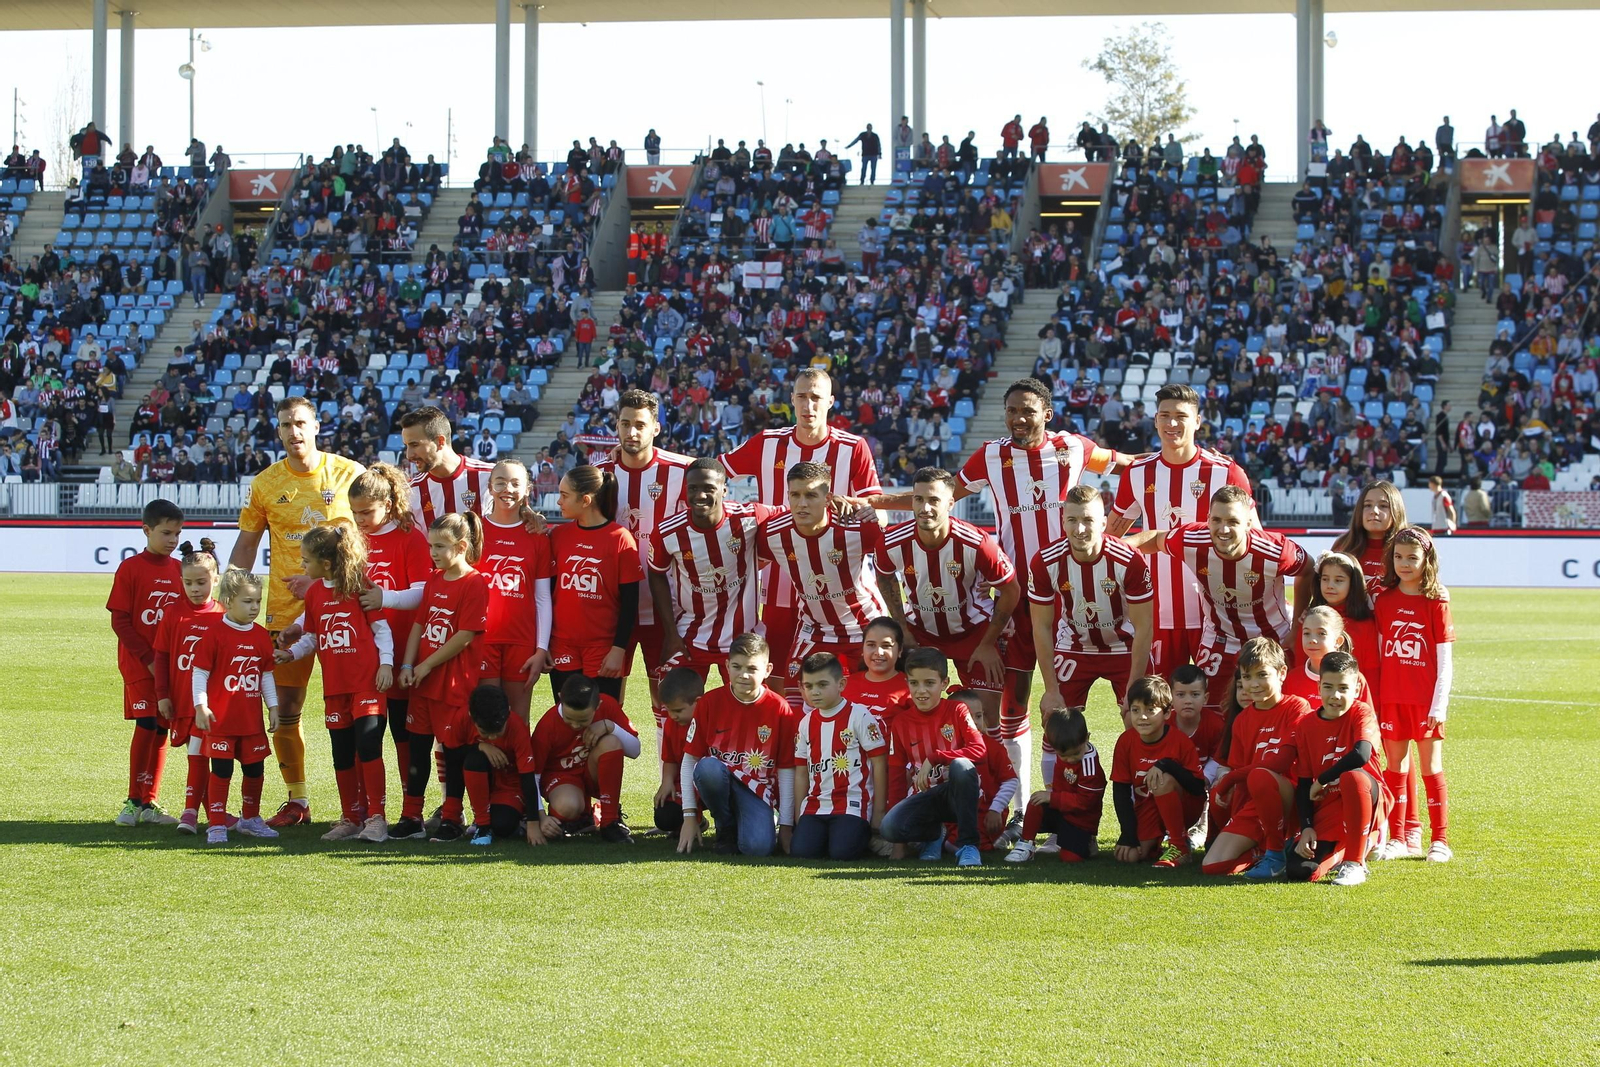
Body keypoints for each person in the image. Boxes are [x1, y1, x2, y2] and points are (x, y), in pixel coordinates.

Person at [853, 377, 1133, 807]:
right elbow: (942, 495)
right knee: (1014, 707)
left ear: (1047, 413)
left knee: (1090, 701)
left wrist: (1127, 516)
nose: (1019, 419)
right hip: (1018, 596)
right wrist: (877, 502)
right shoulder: (992, 455)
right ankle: (1018, 807)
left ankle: (1079, 801)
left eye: (1028, 410)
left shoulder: (1074, 447)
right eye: (1012, 411)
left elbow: (1132, 466)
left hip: (1078, 589)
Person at [229, 396, 365, 828]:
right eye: (286, 425)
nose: (294, 432)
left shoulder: (349, 473)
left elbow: (370, 538)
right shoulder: (266, 483)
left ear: (317, 426)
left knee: (357, 707)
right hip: (285, 615)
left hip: (344, 610)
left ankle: (365, 805)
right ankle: (298, 800)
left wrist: (327, 583)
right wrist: (228, 589)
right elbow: (248, 543)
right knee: (286, 705)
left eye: (301, 423)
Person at [721, 369, 881, 674]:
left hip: (838, 587)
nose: (809, 406)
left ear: (830, 402)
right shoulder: (767, 442)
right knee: (778, 676)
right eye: (802, 397)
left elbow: (875, 507)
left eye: (816, 398)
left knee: (849, 681)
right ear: (792, 400)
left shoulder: (853, 448)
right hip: (780, 582)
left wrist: (853, 504)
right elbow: (713, 471)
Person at [1109, 383, 1252, 676]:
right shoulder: (1138, 473)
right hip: (1157, 612)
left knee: (1214, 706)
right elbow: (1111, 539)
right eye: (1164, 415)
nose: (1172, 423)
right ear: (1156, 420)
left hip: (1216, 613)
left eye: (1181, 416)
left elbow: (1255, 540)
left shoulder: (1227, 472)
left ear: (1198, 421)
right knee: (1157, 704)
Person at [1125, 486, 1309, 708]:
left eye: (1233, 521)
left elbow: (1309, 570)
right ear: (1208, 519)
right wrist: (1113, 548)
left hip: (1272, 639)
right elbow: (1155, 538)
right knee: (1212, 711)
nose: (1223, 529)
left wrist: (1297, 628)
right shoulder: (1193, 539)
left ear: (1249, 524)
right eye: (1217, 520)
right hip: (1221, 640)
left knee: (1276, 711)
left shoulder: (1275, 550)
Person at [275, 521, 393, 843]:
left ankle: (376, 818)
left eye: (306, 560)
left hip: (367, 682)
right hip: (335, 687)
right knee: (341, 753)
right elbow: (313, 636)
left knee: (368, 747)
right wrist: (292, 653)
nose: (302, 565)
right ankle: (350, 818)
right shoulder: (313, 593)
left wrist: (386, 665)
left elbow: (382, 630)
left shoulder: (359, 585)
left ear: (325, 563)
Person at [874, 466, 1019, 722]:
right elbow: (884, 577)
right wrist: (903, 629)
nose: (925, 508)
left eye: (934, 500)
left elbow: (1011, 588)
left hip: (974, 633)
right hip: (920, 632)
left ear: (950, 503)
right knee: (910, 714)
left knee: (985, 719)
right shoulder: (891, 541)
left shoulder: (977, 543)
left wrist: (987, 643)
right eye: (919, 499)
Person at [393, 511, 492, 842]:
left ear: (462, 546)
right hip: (422, 683)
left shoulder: (475, 583)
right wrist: (408, 665)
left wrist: (425, 666)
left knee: (453, 753)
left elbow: (465, 635)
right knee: (417, 748)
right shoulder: (434, 580)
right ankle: (411, 816)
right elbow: (419, 625)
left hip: (453, 685)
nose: (433, 553)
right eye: (430, 546)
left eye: (440, 546)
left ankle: (452, 817)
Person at [755, 461, 887, 704]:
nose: (802, 503)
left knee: (871, 706)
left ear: (828, 498)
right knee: (795, 704)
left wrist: (877, 513)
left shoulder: (856, 527)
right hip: (814, 630)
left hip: (864, 627)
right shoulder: (773, 534)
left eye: (811, 495)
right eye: (795, 495)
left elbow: (898, 558)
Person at [596, 391, 691, 723]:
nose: (631, 432)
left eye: (640, 424)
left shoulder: (683, 471)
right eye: (625, 424)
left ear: (656, 428)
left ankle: (671, 776)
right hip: (610, 608)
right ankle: (603, 775)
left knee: (668, 702)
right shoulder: (598, 473)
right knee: (605, 703)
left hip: (667, 607)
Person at [1029, 484, 1154, 718]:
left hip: (1125, 645)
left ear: (1104, 523)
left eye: (1088, 519)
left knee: (1140, 718)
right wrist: (1051, 689)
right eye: (1072, 520)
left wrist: (1134, 684)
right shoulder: (1045, 561)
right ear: (1063, 521)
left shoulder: (1129, 561)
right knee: (1055, 720)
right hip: (1075, 644)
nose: (1080, 529)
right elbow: (1041, 627)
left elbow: (1144, 626)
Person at [1372, 526, 1455, 863]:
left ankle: (1440, 840)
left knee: (1430, 768)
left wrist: (1440, 704)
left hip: (1425, 702)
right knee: (1395, 768)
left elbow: (1445, 660)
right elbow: (1380, 654)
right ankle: (1399, 837)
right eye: (1399, 556)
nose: (1404, 563)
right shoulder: (1384, 599)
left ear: (1426, 559)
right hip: (1392, 698)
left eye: (1412, 557)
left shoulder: (1436, 601)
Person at [675, 633, 798, 857]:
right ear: (727, 666)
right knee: (707, 768)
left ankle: (760, 820)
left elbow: (787, 769)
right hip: (718, 779)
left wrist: (787, 827)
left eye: (752, 669)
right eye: (737, 667)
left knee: (758, 849)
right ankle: (725, 826)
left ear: (768, 670)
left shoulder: (780, 709)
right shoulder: (709, 703)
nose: (743, 675)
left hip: (757, 789)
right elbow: (689, 761)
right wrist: (689, 816)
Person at [350, 464, 433, 795]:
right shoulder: (352, 541)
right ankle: (366, 808)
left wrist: (384, 597)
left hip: (401, 650)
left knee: (403, 732)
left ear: (388, 504)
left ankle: (410, 807)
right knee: (364, 733)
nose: (360, 519)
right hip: (360, 653)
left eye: (367, 512)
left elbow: (422, 594)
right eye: (354, 512)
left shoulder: (410, 539)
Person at [648, 459, 770, 683]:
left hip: (741, 635)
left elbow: (792, 514)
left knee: (744, 705)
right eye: (693, 488)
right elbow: (656, 573)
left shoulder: (750, 517)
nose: (700, 495)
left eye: (709, 488)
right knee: (678, 702)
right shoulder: (667, 532)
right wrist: (671, 633)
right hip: (689, 637)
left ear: (724, 490)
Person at [1199, 637, 1313, 877]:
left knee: (1261, 776)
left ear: (1282, 673)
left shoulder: (1297, 707)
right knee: (1212, 866)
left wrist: (1230, 778)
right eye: (1247, 677)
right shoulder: (1241, 720)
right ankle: (1261, 850)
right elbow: (1241, 782)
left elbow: (1281, 763)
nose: (1254, 684)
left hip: (1290, 798)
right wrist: (1228, 790)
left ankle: (1275, 854)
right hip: (1256, 802)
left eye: (1262, 675)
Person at [107, 498, 185, 827]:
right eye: (166, 533)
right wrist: (148, 658)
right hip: (140, 664)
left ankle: (150, 801)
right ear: (146, 530)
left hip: (169, 666)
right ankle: (132, 800)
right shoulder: (130, 568)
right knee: (147, 723)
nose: (172, 540)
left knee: (162, 728)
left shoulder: (180, 569)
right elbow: (120, 620)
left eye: (178, 534)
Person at [191, 568, 281, 844]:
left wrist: (273, 706)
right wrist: (201, 706)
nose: (254, 607)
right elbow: (200, 672)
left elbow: (265, 675)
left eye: (257, 601)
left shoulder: (261, 636)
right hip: (222, 720)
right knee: (222, 770)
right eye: (247, 601)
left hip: (250, 720)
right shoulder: (214, 633)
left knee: (254, 769)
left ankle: (251, 818)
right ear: (229, 600)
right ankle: (216, 823)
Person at [878, 648, 990, 868]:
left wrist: (936, 757)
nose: (921, 691)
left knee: (961, 765)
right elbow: (896, 776)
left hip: (957, 794)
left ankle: (968, 846)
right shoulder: (901, 722)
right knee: (889, 828)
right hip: (926, 797)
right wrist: (898, 845)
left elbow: (979, 750)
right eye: (914, 683)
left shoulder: (957, 710)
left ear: (944, 683)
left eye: (929, 683)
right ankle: (933, 835)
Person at [1289, 651, 1388, 885]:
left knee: (1352, 778)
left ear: (1356, 689)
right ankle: (1356, 845)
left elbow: (1361, 755)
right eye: (1328, 687)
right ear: (1319, 687)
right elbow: (1304, 783)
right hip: (1330, 806)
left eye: (1343, 688)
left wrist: (1322, 779)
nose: (1335, 695)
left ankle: (1355, 863)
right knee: (1299, 871)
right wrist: (1307, 827)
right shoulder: (1305, 726)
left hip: (1367, 796)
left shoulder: (1361, 712)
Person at [548, 464, 641, 701]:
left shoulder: (620, 538)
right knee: (567, 720)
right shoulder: (558, 536)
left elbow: (630, 603)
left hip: (603, 648)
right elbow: (549, 593)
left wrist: (619, 650)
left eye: (564, 495)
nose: (559, 502)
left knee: (602, 722)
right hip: (562, 646)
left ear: (586, 500)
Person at [151, 539, 224, 834]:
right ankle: (211, 812)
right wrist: (163, 696)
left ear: (215, 579)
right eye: (189, 583)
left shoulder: (223, 614)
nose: (195, 589)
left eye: (201, 582)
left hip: (209, 703)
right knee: (197, 754)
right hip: (182, 700)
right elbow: (162, 656)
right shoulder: (173, 614)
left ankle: (191, 813)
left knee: (201, 753)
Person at [789, 653, 888, 860]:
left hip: (852, 804)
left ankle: (872, 838)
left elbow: (879, 763)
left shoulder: (859, 716)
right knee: (802, 853)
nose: (815, 692)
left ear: (841, 684)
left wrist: (878, 812)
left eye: (822, 685)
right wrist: (799, 815)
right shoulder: (805, 723)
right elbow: (801, 772)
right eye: (809, 686)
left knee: (842, 852)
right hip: (816, 805)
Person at [478, 459, 553, 721]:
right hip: (481, 639)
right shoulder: (475, 531)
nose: (506, 489)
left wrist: (541, 648)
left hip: (522, 642)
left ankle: (522, 764)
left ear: (527, 489)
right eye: (500, 482)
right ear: (490, 486)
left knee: (518, 721)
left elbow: (542, 597)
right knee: (486, 720)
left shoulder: (537, 536)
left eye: (515, 483)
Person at [528, 674, 641, 843]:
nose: (575, 725)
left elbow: (635, 750)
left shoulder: (608, 705)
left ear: (598, 706)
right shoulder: (547, 725)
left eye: (582, 720)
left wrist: (609, 726)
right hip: (561, 777)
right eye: (569, 719)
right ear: (560, 698)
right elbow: (532, 775)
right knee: (568, 806)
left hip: (591, 770)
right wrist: (540, 817)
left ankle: (609, 822)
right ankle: (583, 817)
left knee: (611, 742)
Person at [1111, 675, 1206, 868]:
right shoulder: (1125, 741)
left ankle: (1180, 845)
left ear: (1167, 712)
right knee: (1130, 855)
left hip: (1185, 806)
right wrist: (1128, 834)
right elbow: (1120, 791)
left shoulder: (1180, 742)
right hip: (1147, 806)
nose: (1142, 717)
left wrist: (1167, 765)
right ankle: (1158, 846)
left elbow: (1197, 789)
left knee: (1162, 780)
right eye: (1136, 710)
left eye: (1150, 710)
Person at [1005, 706, 1105, 864]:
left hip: (1081, 819)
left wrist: (1053, 797)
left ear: (1087, 738)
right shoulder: (1062, 748)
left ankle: (1088, 839)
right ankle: (1026, 843)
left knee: (1070, 858)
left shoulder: (1089, 763)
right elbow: (1060, 782)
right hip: (1063, 809)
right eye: (1063, 756)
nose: (1070, 760)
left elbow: (1086, 803)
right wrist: (1051, 798)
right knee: (1036, 800)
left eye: (1075, 754)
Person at [461, 684, 542, 846]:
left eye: (498, 732)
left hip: (509, 787)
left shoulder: (518, 728)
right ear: (472, 716)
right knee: (474, 760)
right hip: (484, 782)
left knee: (502, 826)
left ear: (508, 712)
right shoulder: (462, 720)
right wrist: (481, 746)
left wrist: (534, 822)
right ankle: (482, 823)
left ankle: (520, 819)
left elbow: (527, 776)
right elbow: (452, 754)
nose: (491, 737)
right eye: (485, 733)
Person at [402, 405, 494, 528]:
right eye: (407, 446)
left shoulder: (489, 477)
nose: (409, 455)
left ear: (440, 442)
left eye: (414, 445)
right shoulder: (410, 492)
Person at [653, 667, 705, 834]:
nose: (672, 715)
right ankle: (694, 822)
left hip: (709, 783)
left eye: (677, 710)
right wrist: (667, 781)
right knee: (664, 817)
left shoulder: (712, 722)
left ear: (698, 702)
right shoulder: (670, 724)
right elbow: (670, 759)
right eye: (668, 710)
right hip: (684, 783)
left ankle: (725, 825)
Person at [842, 617, 910, 723]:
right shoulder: (845, 685)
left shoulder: (911, 687)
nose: (878, 652)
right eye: (871, 645)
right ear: (862, 648)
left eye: (886, 646)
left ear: (900, 650)